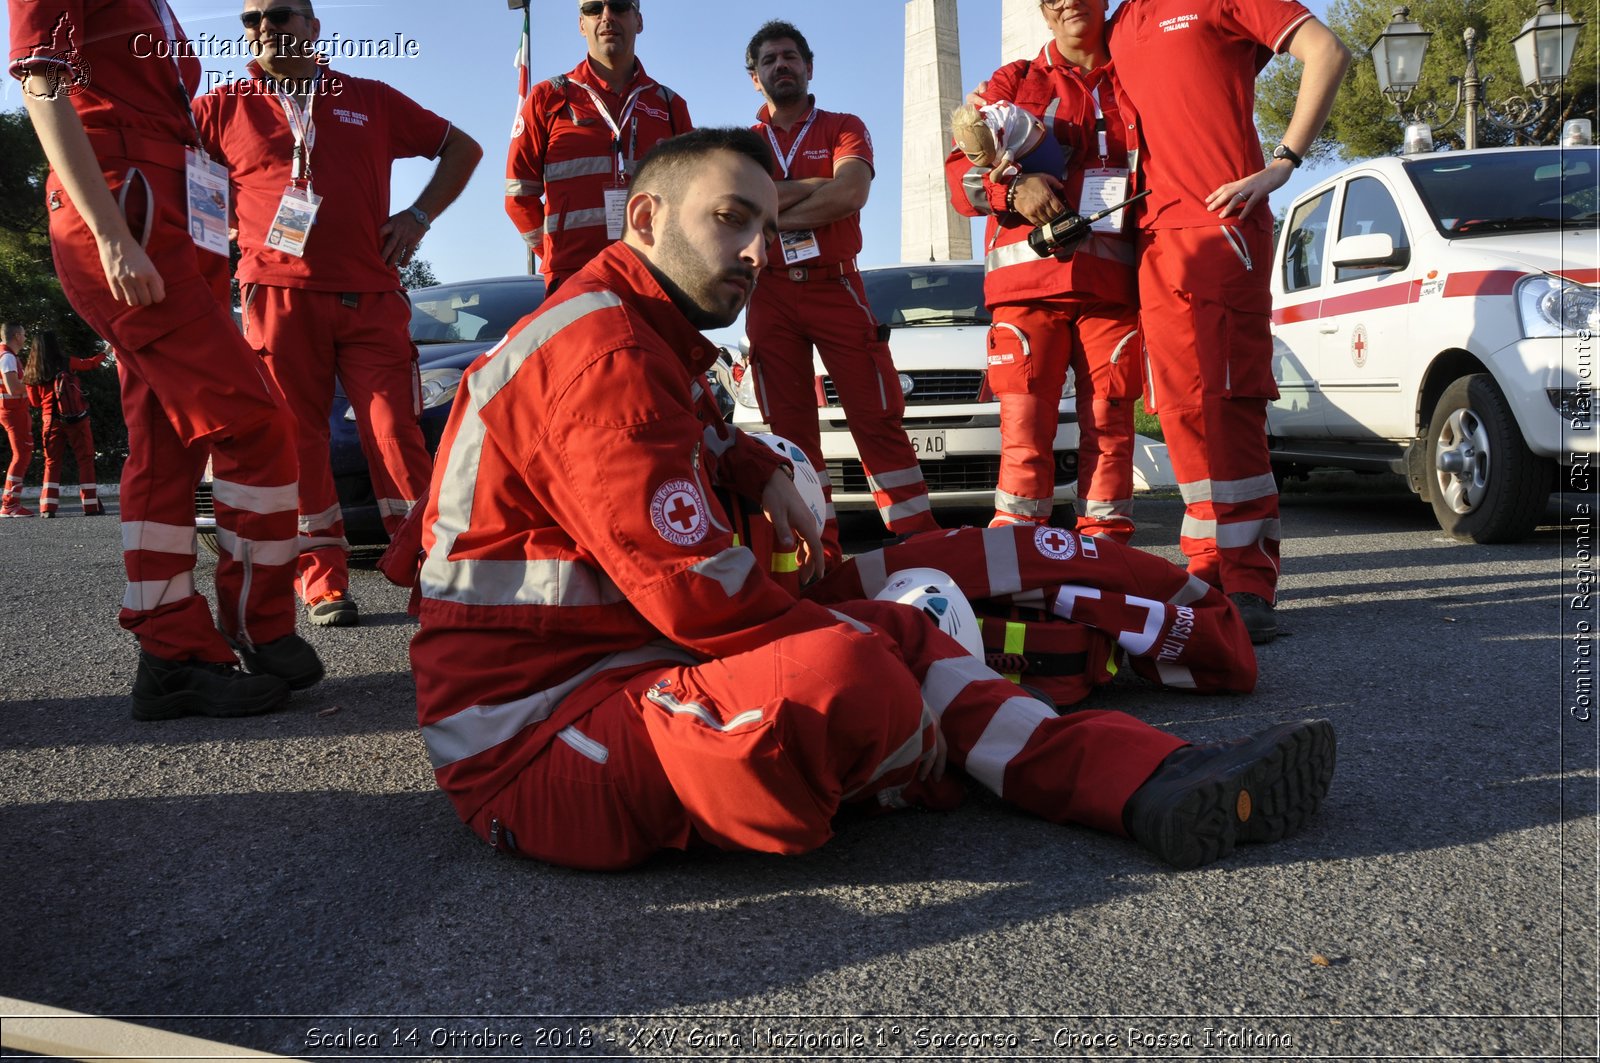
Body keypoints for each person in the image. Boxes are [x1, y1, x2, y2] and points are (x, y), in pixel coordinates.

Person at [410, 126, 1336, 874]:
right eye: (730, 220)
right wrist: (853, 623)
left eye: (765, 229)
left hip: (629, 657)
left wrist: (754, 467)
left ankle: (1152, 779)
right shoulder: (604, 353)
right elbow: (702, 596)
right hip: (534, 736)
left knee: (901, 633)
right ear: (644, 217)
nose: (753, 252)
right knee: (854, 672)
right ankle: (928, 745)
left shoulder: (650, 333)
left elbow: (692, 442)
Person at [9, 0, 323, 719]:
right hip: (129, 208)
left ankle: (171, 653)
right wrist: (112, 233)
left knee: (166, 448)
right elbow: (41, 84)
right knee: (256, 422)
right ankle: (257, 622)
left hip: (179, 213)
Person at [193, 0, 482, 628]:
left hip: (371, 298)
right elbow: (192, 195)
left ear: (314, 28)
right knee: (299, 442)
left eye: (282, 13)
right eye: (252, 18)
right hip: (274, 296)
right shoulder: (219, 107)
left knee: (394, 435)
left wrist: (418, 216)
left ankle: (431, 572)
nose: (266, 25)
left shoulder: (370, 97)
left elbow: (463, 147)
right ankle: (322, 581)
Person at [1107, 0, 1351, 642]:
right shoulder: (1119, 21)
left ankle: (1249, 581)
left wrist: (1283, 163)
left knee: (1228, 400)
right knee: (1181, 408)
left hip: (1222, 227)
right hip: (1153, 237)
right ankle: (1207, 568)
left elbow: (1328, 51)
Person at [744, 20, 941, 565]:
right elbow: (739, 201)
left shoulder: (843, 125)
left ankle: (919, 541)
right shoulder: (745, 145)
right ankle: (820, 551)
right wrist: (815, 186)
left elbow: (851, 192)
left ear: (809, 66)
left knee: (875, 415)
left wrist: (774, 210)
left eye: (789, 57)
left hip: (837, 285)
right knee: (790, 429)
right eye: (768, 60)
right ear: (754, 77)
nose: (780, 66)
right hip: (770, 294)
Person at [945, 0, 1142, 538]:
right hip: (1028, 284)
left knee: (1110, 429)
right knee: (1025, 434)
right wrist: (1012, 187)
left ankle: (1107, 556)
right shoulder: (1014, 81)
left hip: (1113, 287)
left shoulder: (1142, 74)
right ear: (1042, 9)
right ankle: (1019, 559)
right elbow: (960, 178)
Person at [506, 0, 692, 295]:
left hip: (653, 275)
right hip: (573, 277)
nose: (606, 16)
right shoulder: (546, 98)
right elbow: (518, 196)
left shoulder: (670, 106)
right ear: (582, 25)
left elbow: (690, 197)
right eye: (594, 8)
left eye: (618, 6)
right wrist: (556, 254)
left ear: (639, 21)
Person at [21, 329, 107, 517]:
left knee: (52, 462)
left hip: (50, 421)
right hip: (76, 418)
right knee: (85, 460)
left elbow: (35, 402)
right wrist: (107, 352)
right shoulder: (66, 362)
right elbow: (90, 364)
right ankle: (91, 505)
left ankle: (47, 508)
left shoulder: (31, 370)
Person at [0, 322, 34, 518]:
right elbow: (13, 388)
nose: (25, 337)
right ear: (16, 336)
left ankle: (10, 503)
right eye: (23, 334)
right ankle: (10, 504)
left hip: (13, 410)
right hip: (13, 411)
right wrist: (34, 384)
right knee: (21, 454)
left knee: (22, 453)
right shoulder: (7, 357)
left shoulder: (6, 355)